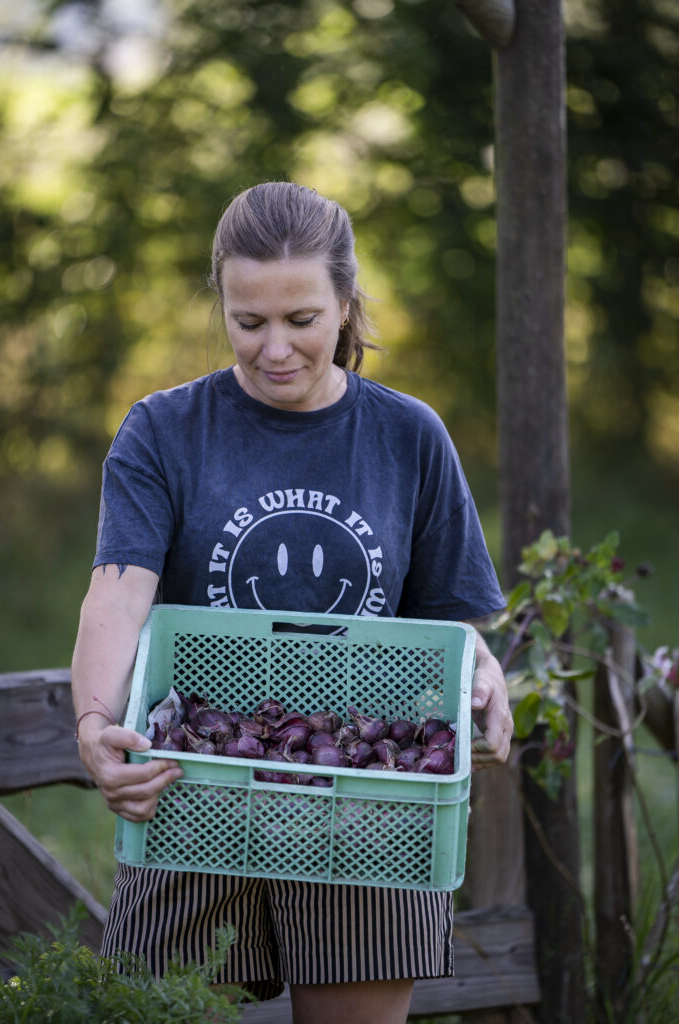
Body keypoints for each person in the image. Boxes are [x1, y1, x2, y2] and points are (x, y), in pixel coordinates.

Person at [72, 181, 513, 1024]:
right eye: (249, 322)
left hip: (369, 796)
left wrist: (482, 677)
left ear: (345, 304)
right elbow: (116, 596)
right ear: (224, 306)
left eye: (302, 320)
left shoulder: (407, 434)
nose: (274, 348)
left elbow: (449, 620)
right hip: (195, 784)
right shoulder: (163, 431)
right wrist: (96, 727)